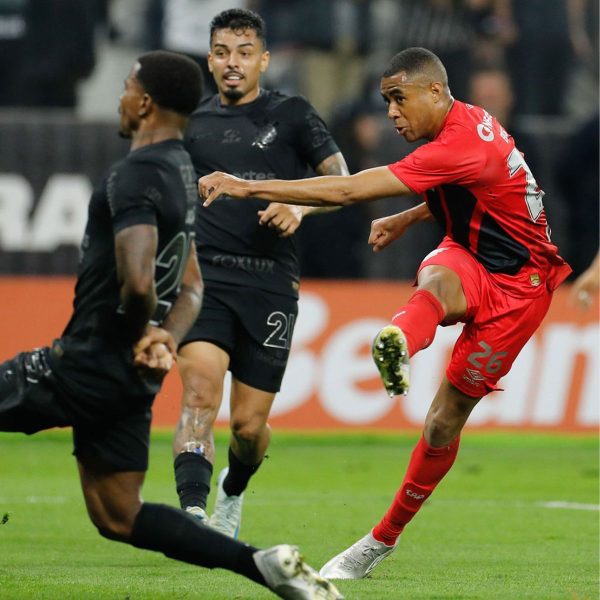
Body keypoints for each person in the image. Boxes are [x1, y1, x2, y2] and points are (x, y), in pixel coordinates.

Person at [199, 46, 572, 579]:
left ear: (435, 92)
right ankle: (397, 338)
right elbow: (479, 185)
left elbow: (350, 189)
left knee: (443, 423)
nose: (391, 113)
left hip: (521, 289)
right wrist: (408, 216)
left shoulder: (461, 142)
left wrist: (246, 184)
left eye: (399, 99)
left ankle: (382, 539)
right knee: (437, 279)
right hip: (470, 256)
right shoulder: (470, 124)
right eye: (385, 101)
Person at [0, 49, 343, 600]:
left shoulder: (135, 174)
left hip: (87, 360)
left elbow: (138, 282)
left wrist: (142, 330)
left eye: (127, 87)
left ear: (144, 103)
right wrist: (166, 334)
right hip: (130, 380)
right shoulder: (183, 171)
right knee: (119, 516)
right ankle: (262, 565)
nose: (120, 96)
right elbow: (192, 285)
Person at [172, 8, 349, 538]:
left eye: (244, 53)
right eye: (222, 52)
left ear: (263, 60)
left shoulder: (293, 115)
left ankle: (233, 487)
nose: (233, 63)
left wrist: (300, 209)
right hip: (206, 283)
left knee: (249, 428)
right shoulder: (191, 125)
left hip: (270, 285)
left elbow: (341, 183)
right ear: (209, 59)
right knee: (199, 394)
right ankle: (194, 515)